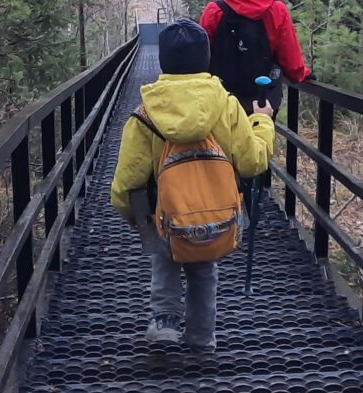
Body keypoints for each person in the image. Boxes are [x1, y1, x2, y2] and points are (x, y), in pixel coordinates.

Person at [110, 19, 274, 348]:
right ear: (206, 58)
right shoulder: (226, 106)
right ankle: (201, 338)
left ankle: (165, 323)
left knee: (164, 259)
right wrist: (262, 122)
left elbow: (128, 177)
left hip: (165, 212)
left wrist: (133, 215)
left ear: (163, 61)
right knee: (203, 270)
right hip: (214, 212)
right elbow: (252, 161)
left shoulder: (145, 114)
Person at [199, 0, 311, 113]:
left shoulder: (214, 12)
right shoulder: (276, 10)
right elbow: (292, 62)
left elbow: (202, 59)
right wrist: (302, 74)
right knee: (261, 138)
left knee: (225, 140)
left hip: (222, 103)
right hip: (262, 102)